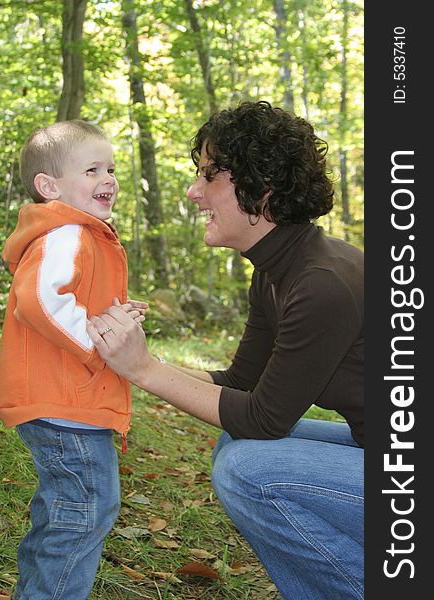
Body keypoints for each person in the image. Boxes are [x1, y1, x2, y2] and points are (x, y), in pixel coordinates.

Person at [87, 101, 364, 600]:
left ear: (262, 189)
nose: (194, 192)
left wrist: (145, 369)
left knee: (247, 469)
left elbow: (264, 419)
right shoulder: (276, 271)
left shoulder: (321, 283)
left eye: (209, 176)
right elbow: (243, 386)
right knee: (234, 445)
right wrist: (128, 361)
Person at [0, 119, 147, 599]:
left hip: (65, 399)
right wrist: (96, 340)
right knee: (87, 509)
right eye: (93, 169)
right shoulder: (66, 233)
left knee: (63, 511)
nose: (109, 179)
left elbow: (67, 299)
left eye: (112, 169)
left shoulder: (79, 234)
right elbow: (39, 300)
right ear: (49, 186)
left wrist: (112, 316)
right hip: (64, 402)